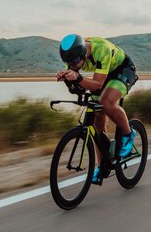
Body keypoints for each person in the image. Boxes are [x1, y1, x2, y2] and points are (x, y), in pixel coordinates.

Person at [56, 33, 138, 183]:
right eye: (68, 64)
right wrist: (67, 80)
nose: (71, 66)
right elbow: (77, 88)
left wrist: (78, 78)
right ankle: (103, 165)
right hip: (103, 75)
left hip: (122, 70)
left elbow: (98, 84)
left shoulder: (102, 49)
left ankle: (128, 134)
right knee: (96, 122)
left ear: (82, 54)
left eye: (74, 63)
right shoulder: (72, 57)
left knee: (106, 102)